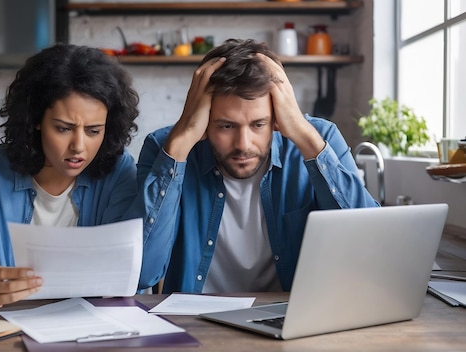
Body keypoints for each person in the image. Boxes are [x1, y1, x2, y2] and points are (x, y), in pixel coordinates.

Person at [132, 39, 379, 294]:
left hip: (290, 320)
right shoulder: (166, 147)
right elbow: (141, 274)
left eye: (258, 124)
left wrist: (306, 139)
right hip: (193, 323)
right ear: (204, 119)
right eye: (226, 126)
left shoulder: (320, 139)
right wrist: (179, 146)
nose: (243, 144)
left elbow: (371, 252)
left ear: (277, 118)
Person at [0, 43, 140, 309]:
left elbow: (126, 270)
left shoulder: (119, 170)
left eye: (93, 131)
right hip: (8, 327)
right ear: (36, 119)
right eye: (63, 128)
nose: (79, 146)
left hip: (92, 327)